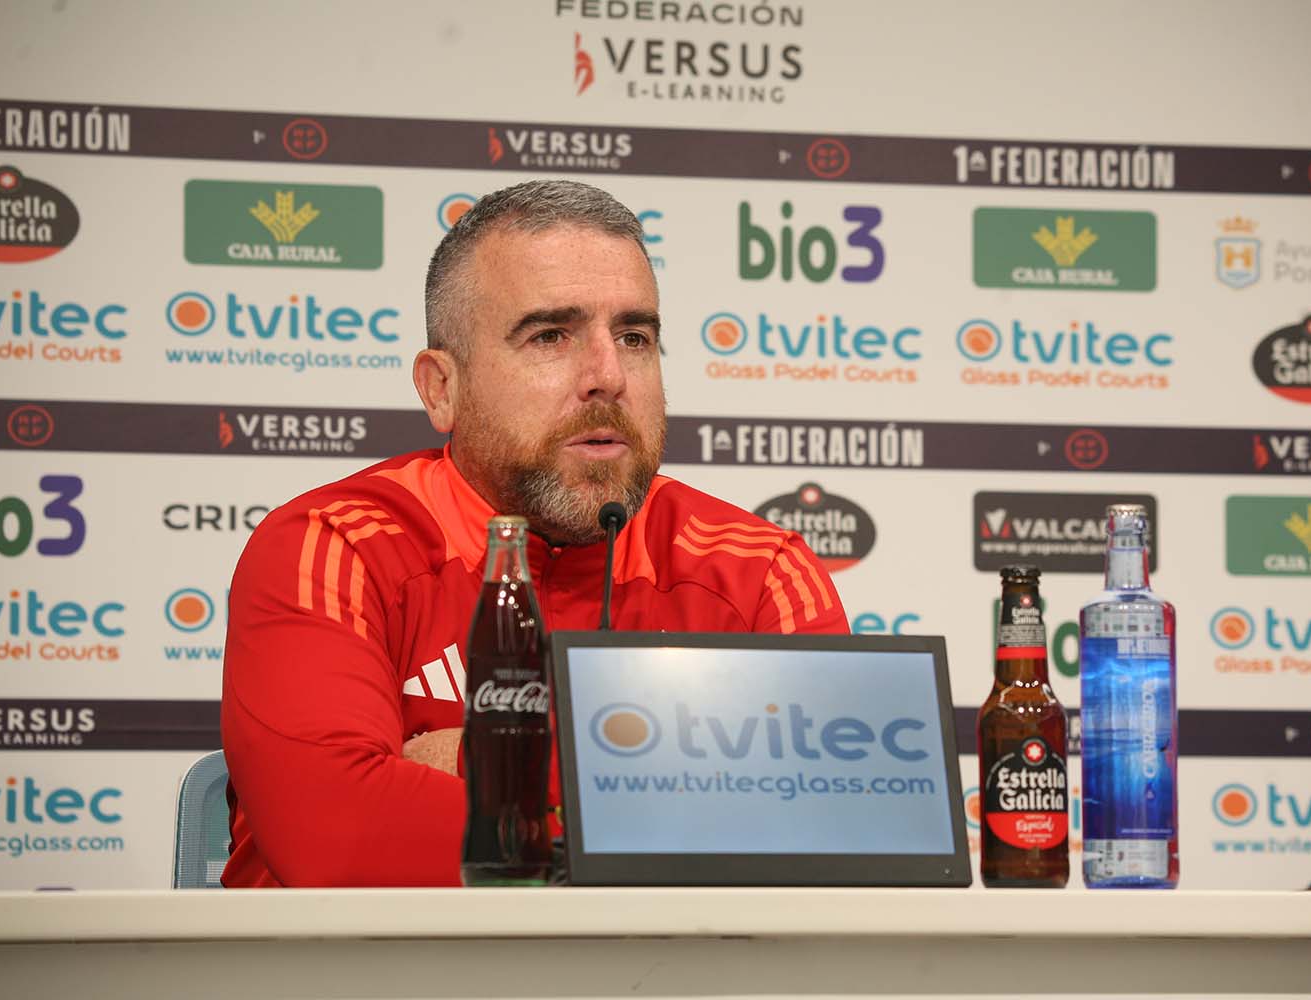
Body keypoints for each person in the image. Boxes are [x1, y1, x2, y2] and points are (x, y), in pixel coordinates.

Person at [220, 179, 849, 887]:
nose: (607, 375)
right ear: (441, 388)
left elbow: (836, 843)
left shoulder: (758, 570)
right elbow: (339, 837)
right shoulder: (332, 545)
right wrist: (686, 789)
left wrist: (474, 762)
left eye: (635, 337)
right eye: (550, 335)